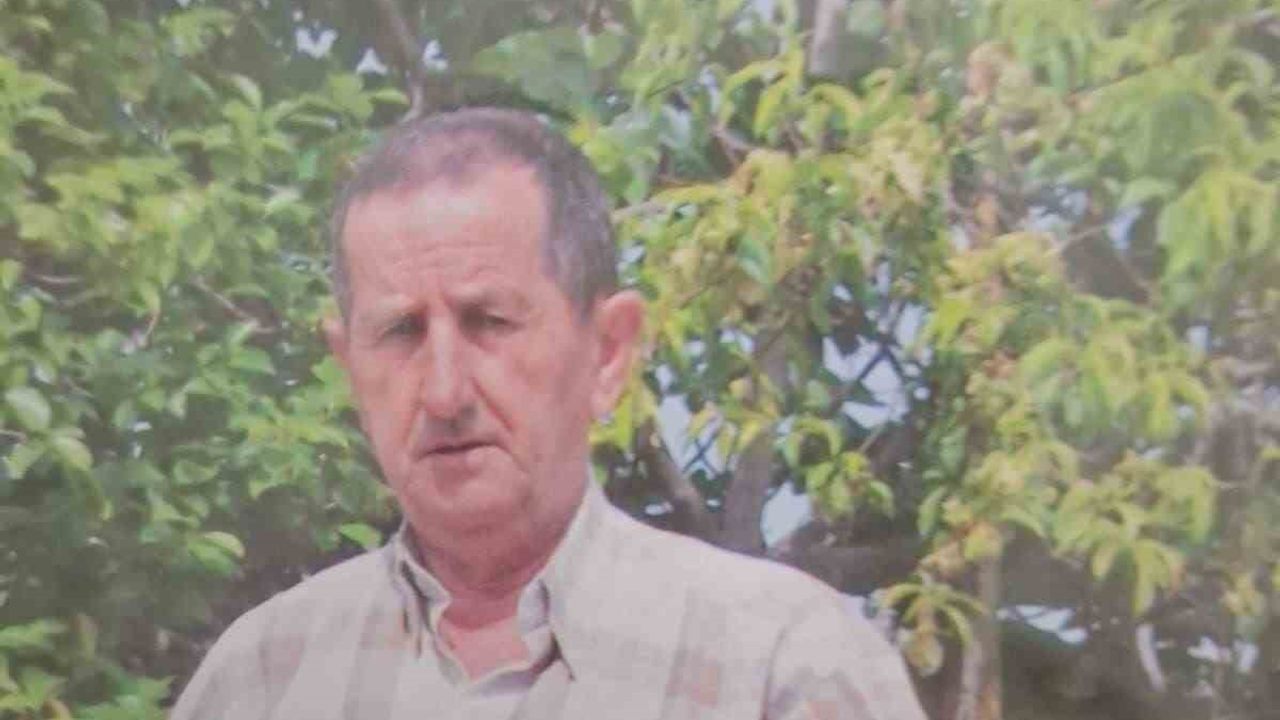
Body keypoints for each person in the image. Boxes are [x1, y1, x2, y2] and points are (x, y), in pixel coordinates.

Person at [171, 108, 926, 720]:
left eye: (490, 322)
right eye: (400, 332)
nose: (444, 392)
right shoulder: (262, 678)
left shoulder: (779, 664)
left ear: (609, 352)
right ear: (349, 368)